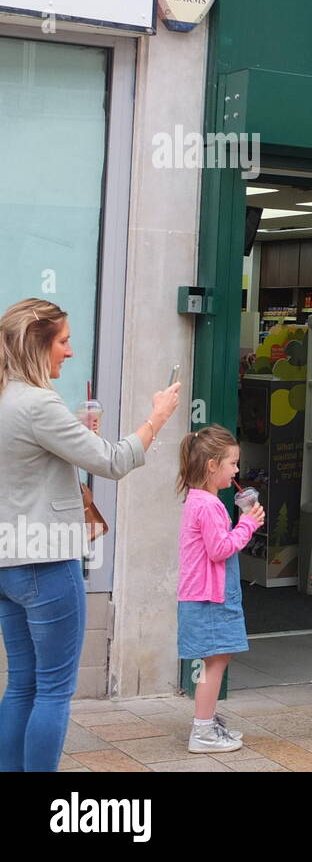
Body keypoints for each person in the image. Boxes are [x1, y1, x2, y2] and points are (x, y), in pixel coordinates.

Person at [0, 298, 181, 771]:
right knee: (55, 689)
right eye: (63, 341)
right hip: (45, 562)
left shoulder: (8, 398)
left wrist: (72, 431)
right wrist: (158, 414)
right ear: (37, 346)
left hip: (7, 561)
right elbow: (113, 461)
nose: (70, 351)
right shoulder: (38, 403)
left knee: (22, 684)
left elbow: (22, 462)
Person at [176, 426, 264, 753]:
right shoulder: (210, 505)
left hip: (203, 595)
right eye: (232, 463)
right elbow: (220, 549)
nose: (237, 470)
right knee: (216, 663)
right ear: (212, 466)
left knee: (217, 660)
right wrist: (248, 524)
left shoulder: (198, 500)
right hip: (210, 597)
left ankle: (207, 721)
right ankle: (202, 730)